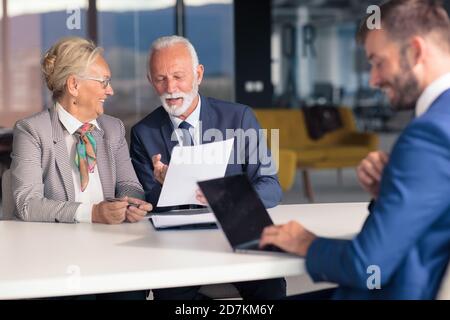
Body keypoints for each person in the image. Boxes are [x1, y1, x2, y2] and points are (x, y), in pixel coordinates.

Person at [260, 0, 450, 299]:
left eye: (378, 62)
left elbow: (367, 264)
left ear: (415, 51)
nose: (373, 79)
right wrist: (390, 190)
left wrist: (304, 241)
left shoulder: (429, 134)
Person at [130, 35, 285, 300]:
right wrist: (167, 184)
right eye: (160, 79)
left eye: (179, 76)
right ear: (150, 81)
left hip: (237, 229)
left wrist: (228, 199)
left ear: (198, 74)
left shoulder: (239, 118)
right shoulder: (143, 133)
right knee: (171, 295)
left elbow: (271, 186)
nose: (170, 87)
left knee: (270, 286)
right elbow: (149, 201)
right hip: (176, 244)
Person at [10, 37, 152, 299]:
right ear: (74, 85)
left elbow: (130, 185)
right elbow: (27, 203)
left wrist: (132, 204)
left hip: (113, 249)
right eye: (104, 82)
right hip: (56, 256)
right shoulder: (32, 131)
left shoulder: (113, 128)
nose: (110, 91)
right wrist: (93, 213)